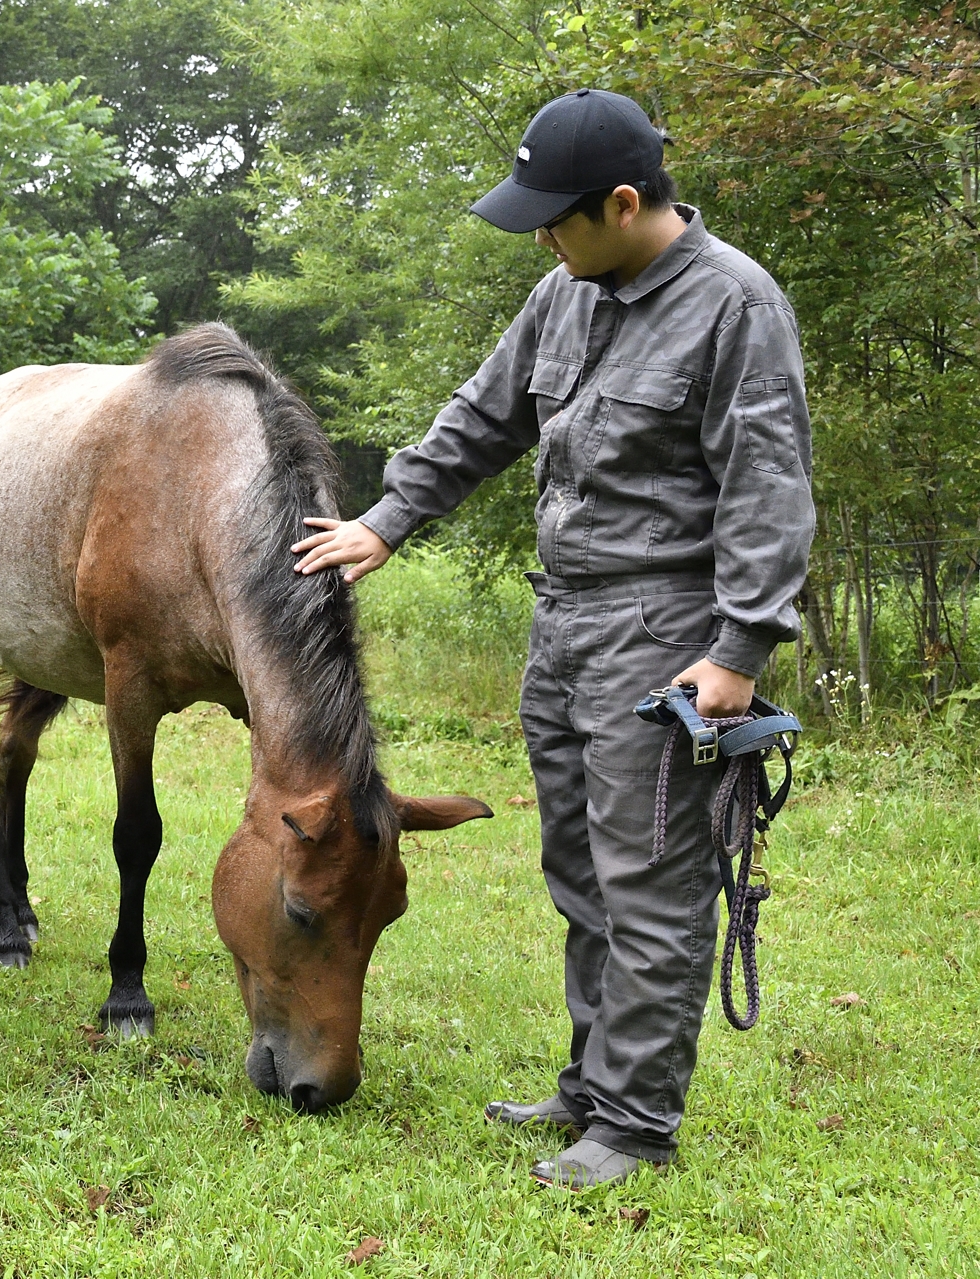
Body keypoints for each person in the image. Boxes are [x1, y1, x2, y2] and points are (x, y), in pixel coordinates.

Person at [292, 90, 814, 1189]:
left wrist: (740, 647)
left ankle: (633, 1125)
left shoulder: (735, 306)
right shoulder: (563, 293)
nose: (539, 236)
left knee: (654, 885)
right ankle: (588, 1086)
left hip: (665, 636)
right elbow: (483, 417)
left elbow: (767, 490)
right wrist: (387, 521)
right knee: (580, 871)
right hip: (563, 621)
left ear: (624, 204)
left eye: (554, 217)